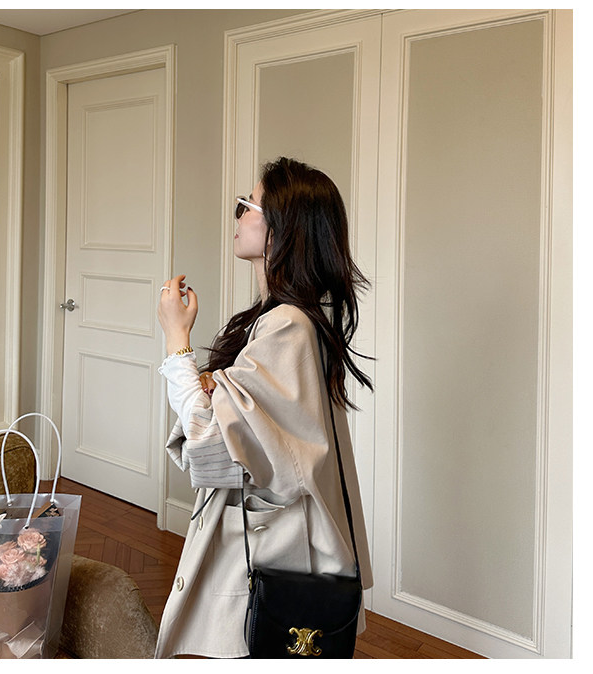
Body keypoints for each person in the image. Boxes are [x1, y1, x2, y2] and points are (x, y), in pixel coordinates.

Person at [154, 157, 373, 658]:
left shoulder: (286, 327)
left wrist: (176, 340)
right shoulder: (290, 320)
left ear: (282, 227)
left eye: (246, 205)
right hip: (281, 538)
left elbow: (209, 446)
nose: (236, 216)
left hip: (270, 550)